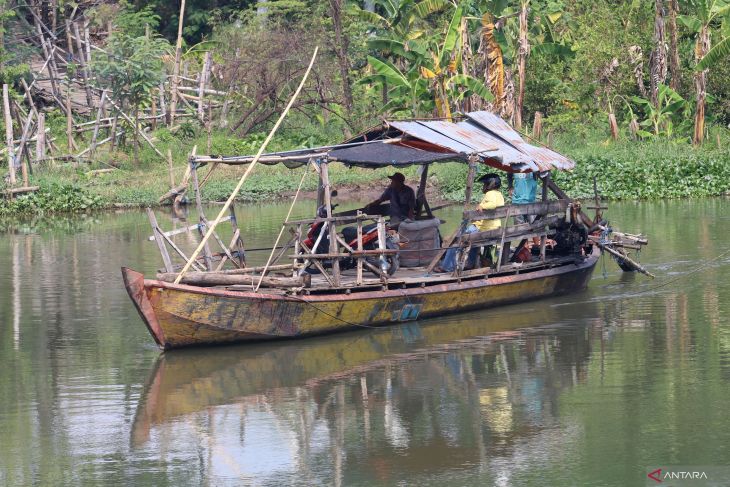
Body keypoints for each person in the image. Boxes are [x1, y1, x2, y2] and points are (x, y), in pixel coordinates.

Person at [436, 173, 505, 272]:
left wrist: (482, 206)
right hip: (494, 228)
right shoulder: (500, 195)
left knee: (455, 240)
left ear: (490, 184)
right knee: (471, 241)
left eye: (485, 184)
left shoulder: (490, 194)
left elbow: (492, 204)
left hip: (483, 229)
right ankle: (470, 263)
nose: (483, 186)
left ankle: (447, 267)